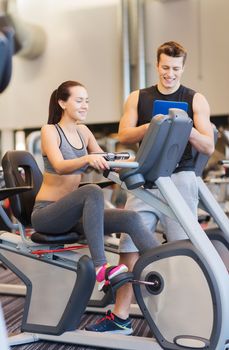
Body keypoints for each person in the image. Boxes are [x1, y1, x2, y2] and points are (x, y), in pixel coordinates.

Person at [85, 41, 215, 334]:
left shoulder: (196, 99)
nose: (170, 74)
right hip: (145, 177)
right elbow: (123, 133)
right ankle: (121, 317)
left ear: (184, 68)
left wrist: (183, 125)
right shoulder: (138, 97)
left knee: (184, 249)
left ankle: (190, 315)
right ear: (157, 65)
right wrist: (152, 126)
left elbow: (208, 144)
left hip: (179, 178)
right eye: (166, 67)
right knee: (128, 246)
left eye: (176, 69)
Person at [31, 80, 159, 294]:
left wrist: (138, 162)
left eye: (87, 101)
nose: (85, 106)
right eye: (79, 100)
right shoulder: (50, 131)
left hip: (75, 217)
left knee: (131, 218)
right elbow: (60, 166)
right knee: (92, 191)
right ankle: (101, 268)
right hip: (47, 214)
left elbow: (105, 161)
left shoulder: (84, 132)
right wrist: (87, 159)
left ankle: (166, 263)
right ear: (62, 103)